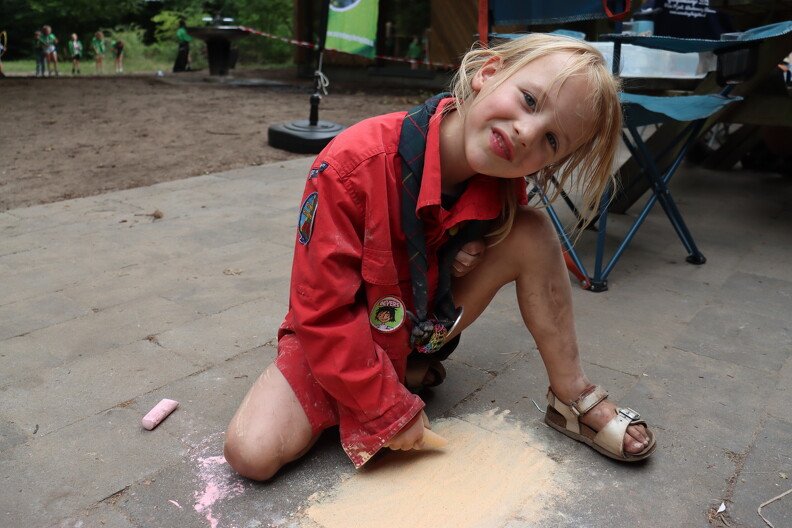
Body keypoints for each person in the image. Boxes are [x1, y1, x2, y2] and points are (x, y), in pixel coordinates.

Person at [223, 33, 656, 481]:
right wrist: (387, 408)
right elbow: (322, 312)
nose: (526, 132)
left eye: (551, 139)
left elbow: (458, 250)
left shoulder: (505, 180)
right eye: (528, 99)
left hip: (420, 326)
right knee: (250, 453)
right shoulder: (352, 164)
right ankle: (393, 378)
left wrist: (461, 256)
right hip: (337, 335)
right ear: (486, 73)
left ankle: (572, 395)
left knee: (532, 232)